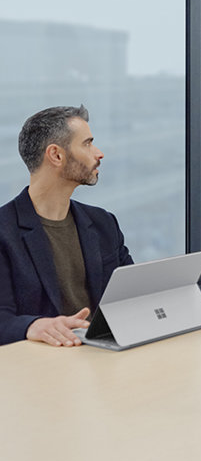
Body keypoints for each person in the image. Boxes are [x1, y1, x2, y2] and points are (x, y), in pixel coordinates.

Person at [0, 106, 133, 346]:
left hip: (103, 357)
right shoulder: (4, 231)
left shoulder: (104, 223)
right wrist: (33, 325)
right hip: (43, 367)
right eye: (87, 144)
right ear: (56, 155)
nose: (99, 153)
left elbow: (132, 294)